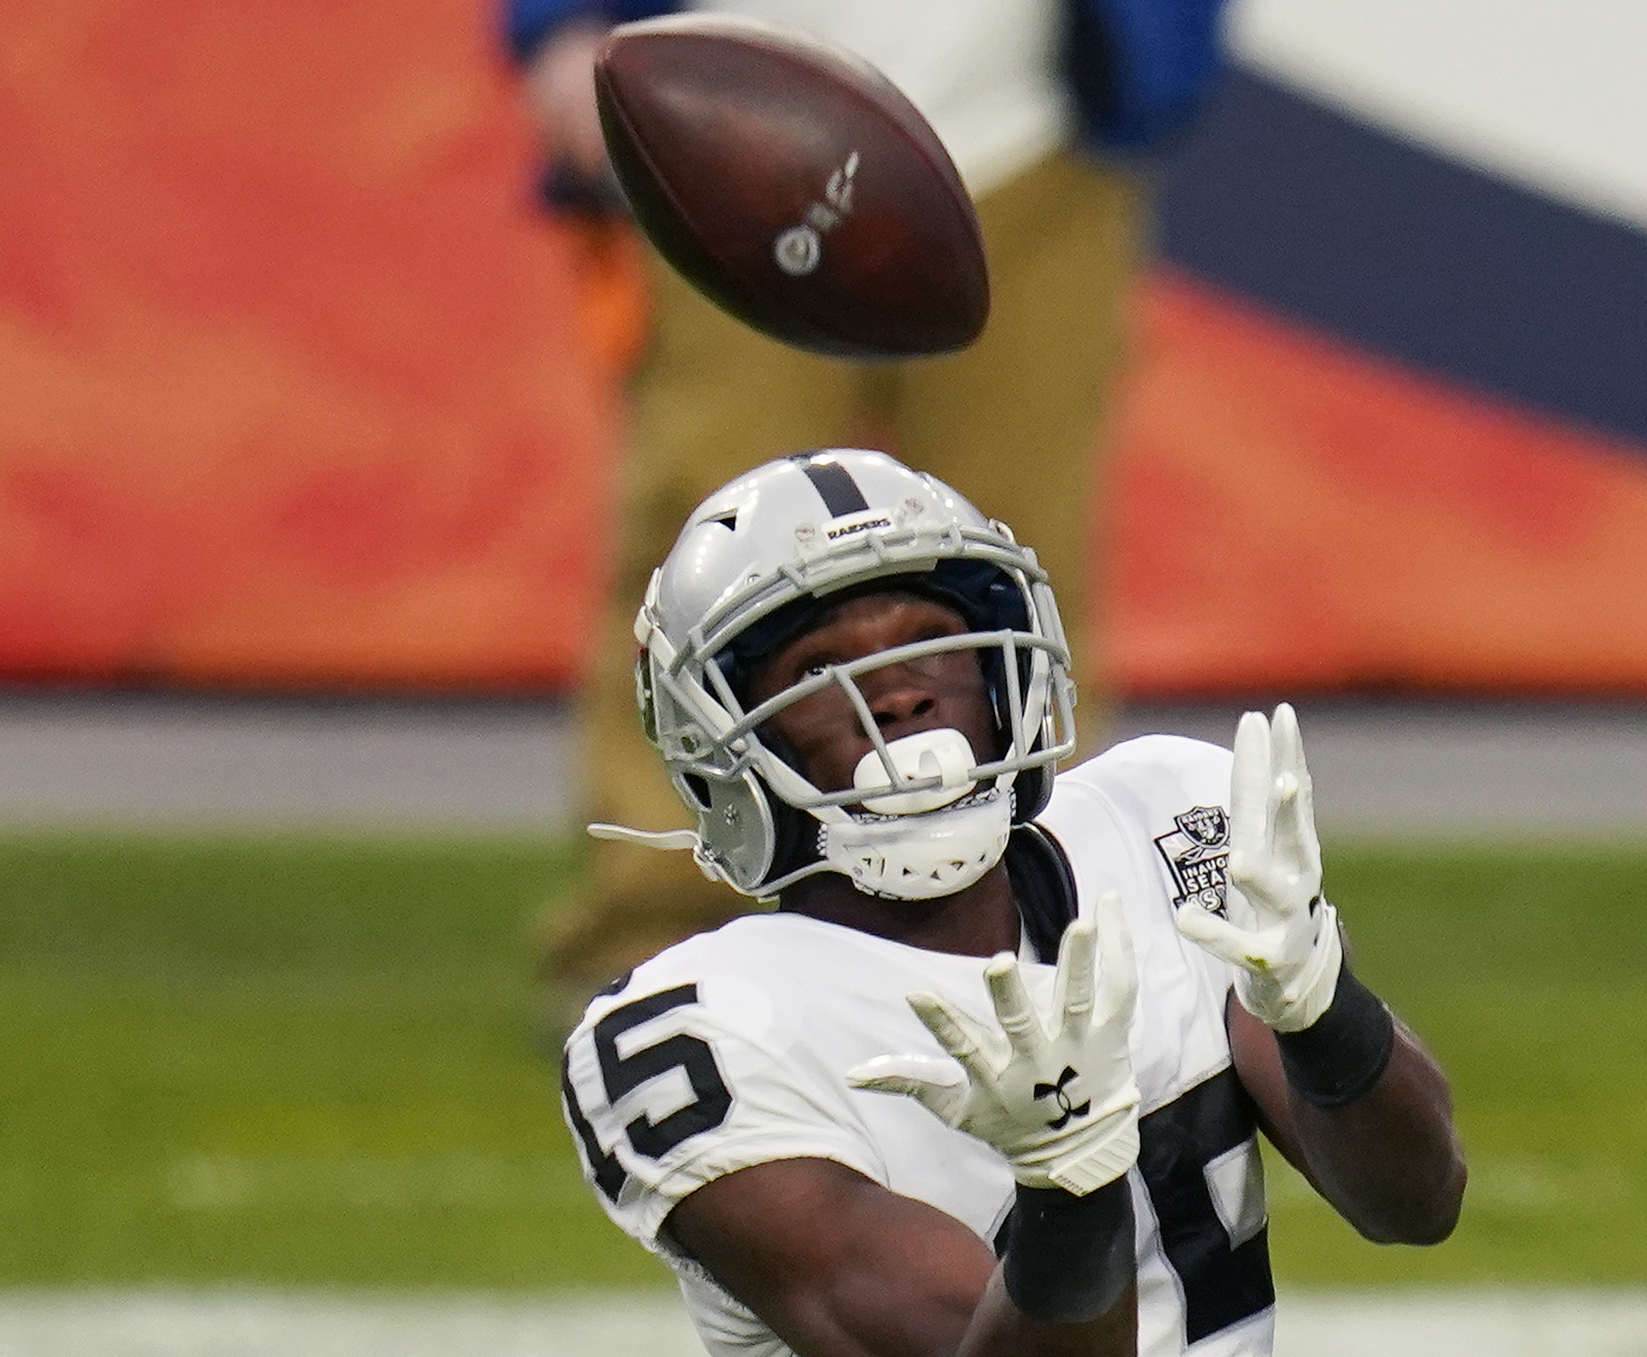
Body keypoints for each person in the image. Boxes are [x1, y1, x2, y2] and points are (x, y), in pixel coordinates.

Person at [560, 449, 1466, 1357]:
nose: (903, 695)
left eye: (928, 639)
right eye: (821, 671)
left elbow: (1415, 1201)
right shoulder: (702, 1033)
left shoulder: (1161, 817)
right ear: (729, 741)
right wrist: (1068, 1181)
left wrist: (1317, 999)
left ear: (1005, 664)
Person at [507, 0, 1232, 994]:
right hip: (739, 128)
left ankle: (1041, 915)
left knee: (1021, 565)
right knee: (703, 562)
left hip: (1024, 124)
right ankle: (662, 937)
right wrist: (565, 22)